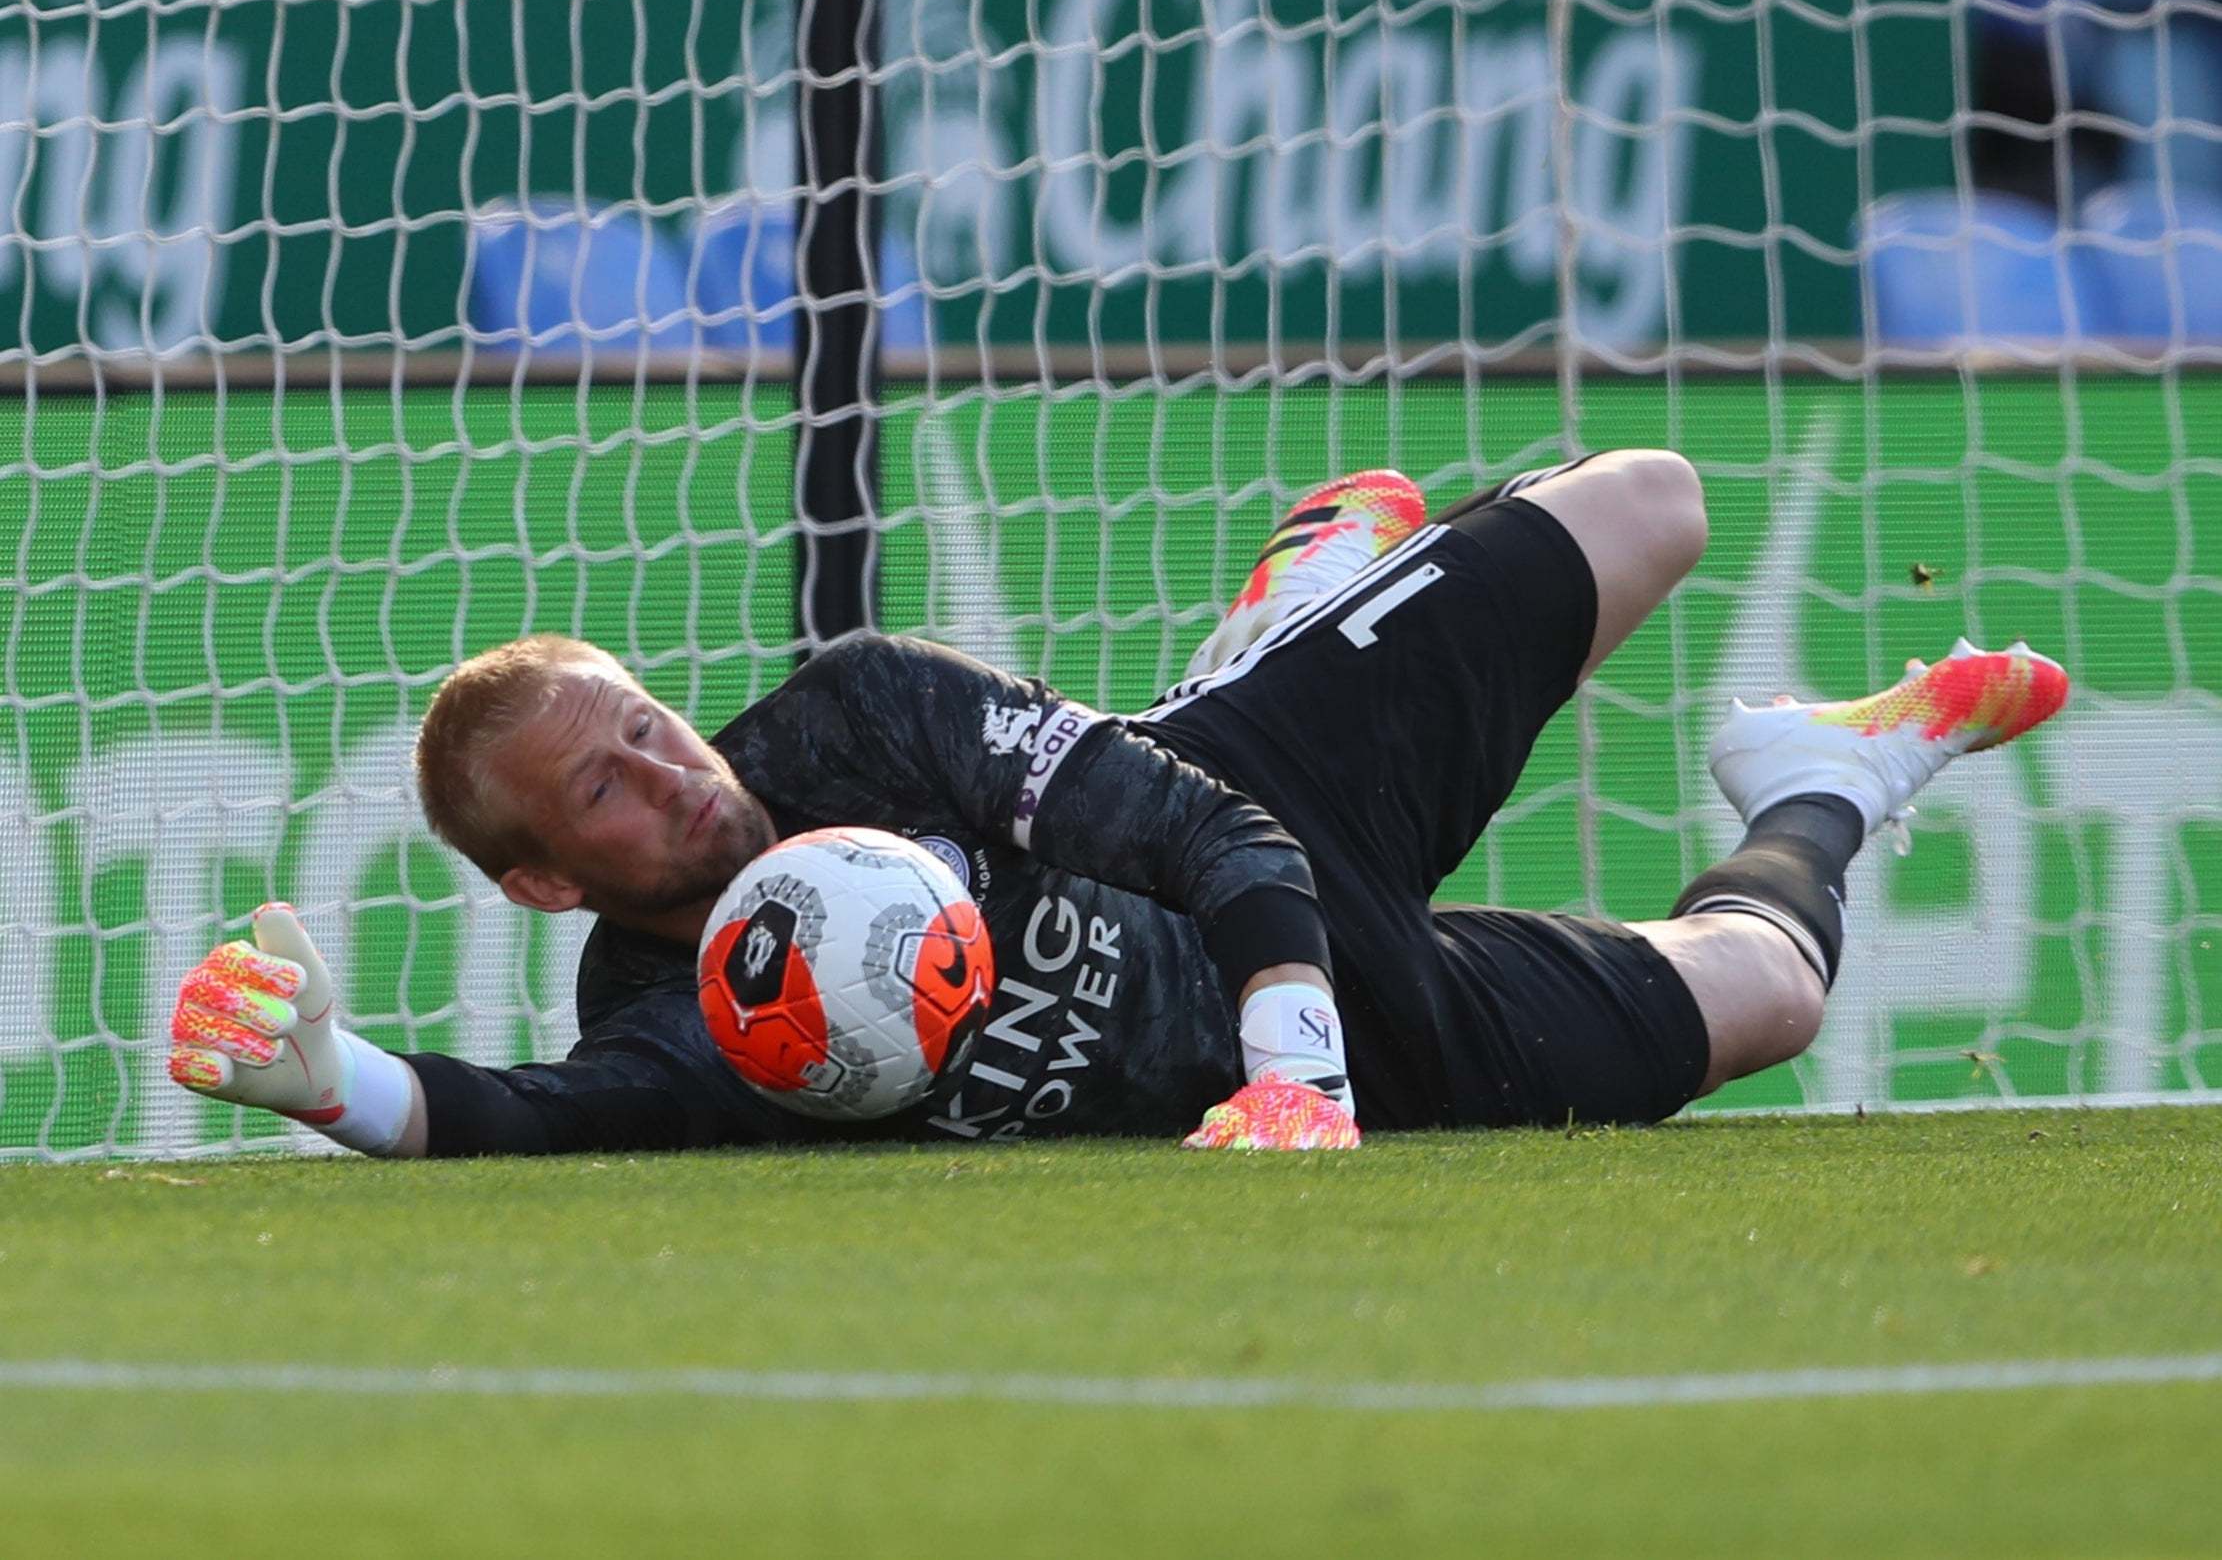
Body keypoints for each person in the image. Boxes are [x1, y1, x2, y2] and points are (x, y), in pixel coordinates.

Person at [166, 454, 2068, 1157]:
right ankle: (1827, 773)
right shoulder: (687, 1027)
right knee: (1771, 997)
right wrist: (336, 1084)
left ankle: (1292, 611)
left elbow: (1215, 848)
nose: (674, 768)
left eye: (653, 724)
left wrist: (1291, 1076)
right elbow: (535, 1119)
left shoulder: (860, 712)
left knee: (1649, 503)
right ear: (542, 884)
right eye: (610, 785)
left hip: (1264, 817)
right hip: (1328, 1052)